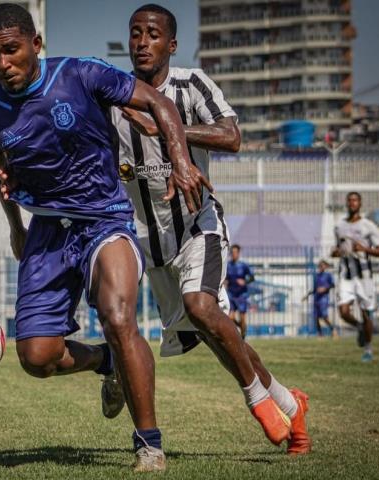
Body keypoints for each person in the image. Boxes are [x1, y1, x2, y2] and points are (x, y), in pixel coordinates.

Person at [0, 4, 208, 471]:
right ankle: (106, 363)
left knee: (118, 316)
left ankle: (148, 444)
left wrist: (182, 162)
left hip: (105, 219)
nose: (3, 64)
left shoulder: (80, 74)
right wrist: (15, 226)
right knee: (37, 358)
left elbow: (159, 104)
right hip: (46, 230)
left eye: (12, 51)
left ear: (36, 45)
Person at [110, 4, 310, 455]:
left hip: (199, 225)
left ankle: (259, 402)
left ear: (171, 44)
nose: (142, 42)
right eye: (135, 33)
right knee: (217, 333)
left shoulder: (192, 83)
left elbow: (231, 136)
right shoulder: (114, 98)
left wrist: (167, 129)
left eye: (153, 34)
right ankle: (289, 403)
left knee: (201, 306)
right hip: (149, 241)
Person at [331, 192, 379, 362]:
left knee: (366, 312)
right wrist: (336, 252)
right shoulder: (339, 226)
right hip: (346, 275)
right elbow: (335, 249)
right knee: (343, 311)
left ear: (360, 203)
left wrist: (365, 249)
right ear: (347, 203)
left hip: (364, 276)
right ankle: (359, 327)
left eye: (355, 200)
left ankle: (368, 349)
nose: (352, 203)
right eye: (349, 200)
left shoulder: (368, 225)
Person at [226, 244, 254, 339]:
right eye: (232, 252)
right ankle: (240, 327)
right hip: (231, 294)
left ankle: (243, 334)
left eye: (235, 252)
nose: (233, 254)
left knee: (242, 318)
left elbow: (252, 277)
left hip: (242, 295)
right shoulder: (228, 266)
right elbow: (225, 278)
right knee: (230, 318)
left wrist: (245, 281)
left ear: (238, 253)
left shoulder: (243, 266)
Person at [302, 260, 336, 337]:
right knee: (316, 317)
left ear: (326, 266)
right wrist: (307, 295)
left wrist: (325, 288)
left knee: (324, 316)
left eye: (322, 265)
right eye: (320, 265)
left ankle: (333, 330)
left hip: (324, 298)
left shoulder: (328, 275)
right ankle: (320, 334)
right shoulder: (316, 276)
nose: (321, 267)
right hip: (316, 298)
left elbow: (333, 285)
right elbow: (314, 289)